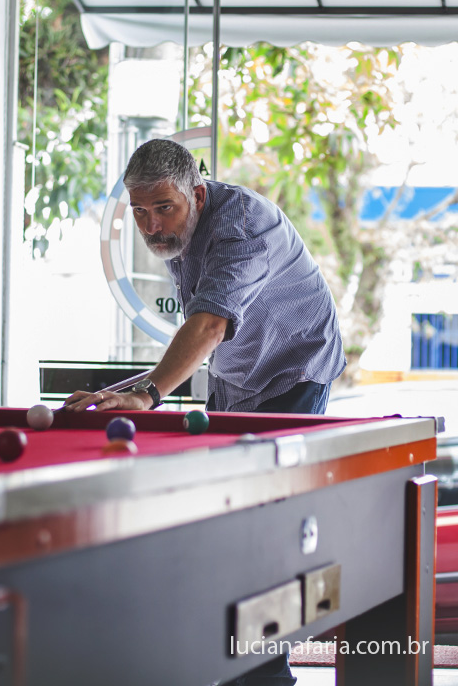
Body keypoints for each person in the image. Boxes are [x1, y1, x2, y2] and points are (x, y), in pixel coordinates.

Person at [64, 138, 346, 686]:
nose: (151, 226)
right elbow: (200, 337)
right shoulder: (181, 235)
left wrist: (146, 396)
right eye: (140, 212)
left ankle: (268, 673)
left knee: (267, 525)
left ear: (196, 192)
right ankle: (229, 658)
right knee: (227, 518)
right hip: (237, 379)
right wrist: (118, 392)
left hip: (296, 371)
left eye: (163, 207)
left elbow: (211, 325)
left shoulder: (241, 222)